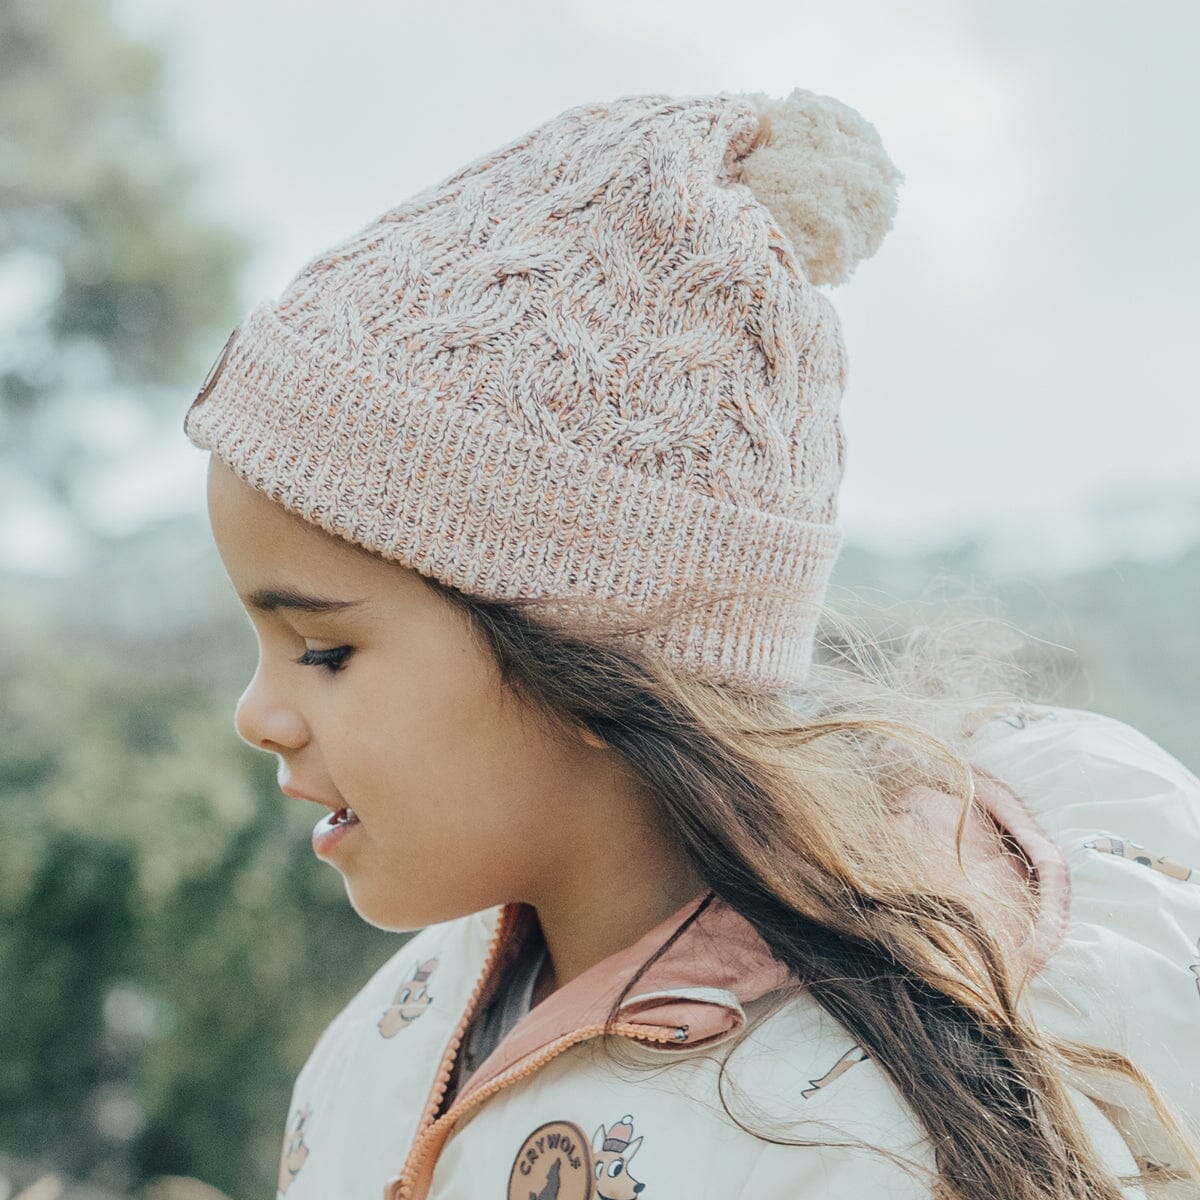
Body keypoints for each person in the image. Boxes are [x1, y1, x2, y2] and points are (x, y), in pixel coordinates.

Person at [185, 87, 1200, 1200]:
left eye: (322, 653)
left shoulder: (854, 1146)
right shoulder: (402, 1025)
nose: (258, 714)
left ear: (589, 658)